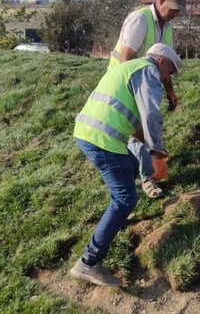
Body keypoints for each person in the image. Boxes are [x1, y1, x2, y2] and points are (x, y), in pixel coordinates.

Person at [70, 43, 183, 287]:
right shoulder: (148, 72)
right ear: (162, 62)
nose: (168, 78)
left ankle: (119, 216)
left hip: (88, 130)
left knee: (132, 165)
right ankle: (88, 262)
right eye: (170, 71)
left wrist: (157, 151)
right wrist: (156, 153)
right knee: (125, 198)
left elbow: (136, 122)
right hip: (103, 139)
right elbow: (151, 115)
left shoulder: (132, 67)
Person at [109, 0, 187, 199]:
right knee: (141, 130)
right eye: (173, 9)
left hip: (146, 82)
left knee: (140, 131)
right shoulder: (140, 19)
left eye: (179, 11)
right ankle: (147, 178)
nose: (176, 14)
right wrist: (137, 94)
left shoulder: (167, 26)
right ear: (161, 1)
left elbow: (165, 61)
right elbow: (126, 57)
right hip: (127, 83)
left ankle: (139, 169)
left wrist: (169, 90)